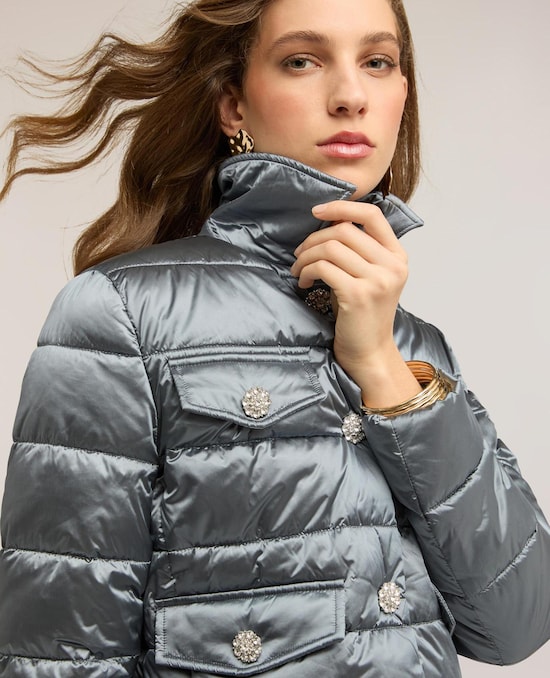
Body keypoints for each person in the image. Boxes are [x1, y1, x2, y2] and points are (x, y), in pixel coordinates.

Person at [0, 0, 549, 675]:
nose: (350, 95)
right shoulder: (122, 314)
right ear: (234, 106)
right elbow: (57, 657)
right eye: (302, 61)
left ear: (402, 94)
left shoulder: (414, 351)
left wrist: (381, 364)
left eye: (377, 62)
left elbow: (517, 625)